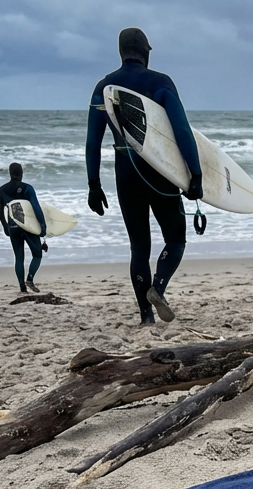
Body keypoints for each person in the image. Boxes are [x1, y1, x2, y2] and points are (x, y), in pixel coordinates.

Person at [84, 27, 203, 325]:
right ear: (146, 52)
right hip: (160, 172)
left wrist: (94, 185)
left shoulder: (103, 87)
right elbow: (182, 130)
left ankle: (146, 316)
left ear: (121, 52)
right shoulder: (161, 83)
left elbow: (92, 140)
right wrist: (195, 174)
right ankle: (158, 288)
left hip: (126, 173)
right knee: (175, 239)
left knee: (139, 247)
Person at [0, 162, 47, 293]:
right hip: (28, 225)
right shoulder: (28, 188)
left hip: (13, 225)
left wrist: (5, 226)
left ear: (10, 173)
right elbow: (36, 208)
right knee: (37, 254)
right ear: (22, 173)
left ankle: (22, 287)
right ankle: (29, 279)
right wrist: (42, 226)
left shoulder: (2, 190)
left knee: (19, 257)